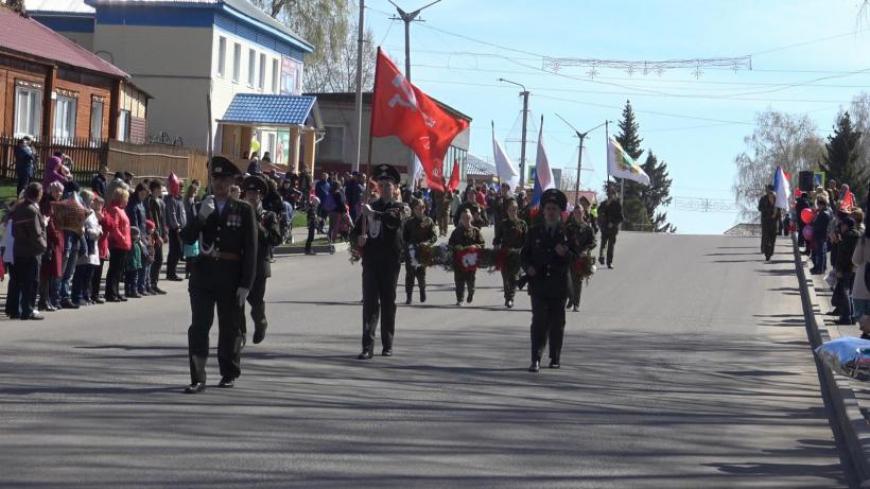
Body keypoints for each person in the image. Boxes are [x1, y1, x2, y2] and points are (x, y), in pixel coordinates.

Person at [181, 157, 257, 393]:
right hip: (203, 276)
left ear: (233, 181)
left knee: (229, 327)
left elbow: (251, 250)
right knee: (199, 327)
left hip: (230, 276)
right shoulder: (203, 205)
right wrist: (201, 216)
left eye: (224, 179)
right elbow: (187, 238)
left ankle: (228, 372)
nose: (220, 183)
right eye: (216, 178)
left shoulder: (243, 210)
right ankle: (198, 376)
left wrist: (246, 284)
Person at [349, 164, 405, 360]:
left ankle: (387, 343)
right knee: (370, 304)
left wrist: (371, 213)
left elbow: (392, 222)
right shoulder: (371, 206)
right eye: (381, 185)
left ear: (395, 188)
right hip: (371, 262)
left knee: (388, 302)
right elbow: (354, 232)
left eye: (388, 185)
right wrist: (359, 240)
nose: (384, 188)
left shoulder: (399, 207)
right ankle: (367, 346)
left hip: (390, 262)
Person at [522, 188, 576, 373]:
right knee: (539, 321)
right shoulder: (534, 232)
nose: (551, 212)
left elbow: (577, 258)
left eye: (554, 208)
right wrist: (527, 267)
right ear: (543, 211)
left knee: (557, 322)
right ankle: (535, 358)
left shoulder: (567, 233)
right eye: (548, 208)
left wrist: (566, 253)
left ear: (560, 212)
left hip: (559, 285)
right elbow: (525, 255)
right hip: (539, 284)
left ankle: (555, 356)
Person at [240, 174, 282, 346]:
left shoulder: (268, 216)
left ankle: (260, 322)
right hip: (240, 265)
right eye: (249, 192)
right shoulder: (239, 213)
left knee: (256, 301)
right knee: (238, 302)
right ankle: (239, 334)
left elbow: (275, 238)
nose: (251, 196)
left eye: (255, 193)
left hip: (259, 266)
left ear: (261, 196)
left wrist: (256, 224)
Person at [11, 183, 47, 320]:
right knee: (31, 282)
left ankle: (16, 310)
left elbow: (14, 230)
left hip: (18, 249)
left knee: (18, 281)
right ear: (38, 193)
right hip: (32, 251)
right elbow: (36, 233)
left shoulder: (18, 207)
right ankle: (28, 309)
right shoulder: (32, 210)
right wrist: (43, 246)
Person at [493, 197, 527, 309]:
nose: (514, 211)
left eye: (515, 209)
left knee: (514, 277)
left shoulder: (522, 224)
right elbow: (497, 238)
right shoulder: (503, 224)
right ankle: (507, 296)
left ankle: (510, 298)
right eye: (511, 209)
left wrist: (524, 250)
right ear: (507, 211)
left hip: (518, 255)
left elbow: (527, 240)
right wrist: (496, 247)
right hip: (505, 254)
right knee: (506, 277)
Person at [403, 197, 437, 304]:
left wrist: (427, 243)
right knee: (410, 275)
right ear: (414, 209)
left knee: (421, 275)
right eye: (418, 207)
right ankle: (409, 297)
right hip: (411, 251)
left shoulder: (429, 221)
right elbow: (404, 237)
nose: (420, 209)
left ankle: (422, 290)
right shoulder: (409, 222)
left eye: (422, 207)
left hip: (423, 251)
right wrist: (407, 246)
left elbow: (434, 236)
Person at [449, 208, 485, 306]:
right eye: (464, 217)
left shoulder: (475, 231)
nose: (466, 219)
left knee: (470, 280)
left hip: (471, 261)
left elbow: (482, 244)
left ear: (471, 218)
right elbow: (451, 244)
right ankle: (460, 299)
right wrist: (457, 247)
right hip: (459, 260)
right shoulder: (456, 232)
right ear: (461, 219)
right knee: (459, 281)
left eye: (468, 217)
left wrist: (476, 246)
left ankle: (471, 292)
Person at [71, 190, 101, 307]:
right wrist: (93, 232)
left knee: (89, 274)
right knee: (81, 273)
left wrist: (99, 231)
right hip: (85, 244)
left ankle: (86, 295)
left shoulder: (92, 212)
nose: (93, 201)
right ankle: (77, 296)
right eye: (91, 199)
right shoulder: (81, 210)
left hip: (93, 244)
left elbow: (97, 225)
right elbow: (82, 227)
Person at [565, 205, 597, 312]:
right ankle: (571, 297)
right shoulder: (569, 227)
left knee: (578, 281)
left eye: (580, 212)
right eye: (576, 213)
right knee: (568, 280)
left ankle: (576, 304)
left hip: (581, 258)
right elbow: (564, 240)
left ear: (583, 213)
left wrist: (586, 250)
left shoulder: (587, 228)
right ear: (573, 214)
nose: (578, 215)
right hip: (570, 256)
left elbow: (593, 242)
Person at [103, 188, 132, 302]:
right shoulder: (115, 210)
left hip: (124, 244)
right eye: (126, 198)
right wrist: (122, 239)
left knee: (119, 271)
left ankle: (116, 291)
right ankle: (110, 293)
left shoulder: (121, 210)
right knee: (114, 270)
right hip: (118, 244)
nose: (127, 200)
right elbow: (114, 228)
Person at [146, 180, 167, 294]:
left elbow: (161, 218)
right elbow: (153, 219)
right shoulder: (151, 201)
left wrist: (164, 233)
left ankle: (153, 283)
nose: (161, 191)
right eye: (160, 188)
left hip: (158, 232)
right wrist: (157, 235)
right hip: (153, 234)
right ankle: (150, 284)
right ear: (155, 189)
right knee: (155, 259)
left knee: (158, 259)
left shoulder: (158, 200)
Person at [165, 174, 186, 281]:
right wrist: (177, 227)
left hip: (180, 228)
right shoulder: (171, 200)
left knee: (177, 251)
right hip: (175, 230)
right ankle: (171, 273)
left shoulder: (179, 199)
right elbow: (172, 214)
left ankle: (172, 272)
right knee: (174, 251)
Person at [597, 186, 623, 269]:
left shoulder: (617, 205)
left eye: (612, 194)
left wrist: (613, 223)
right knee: (603, 244)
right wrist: (605, 206)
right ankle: (601, 257)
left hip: (613, 229)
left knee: (611, 246)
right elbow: (599, 212)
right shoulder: (604, 203)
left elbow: (620, 218)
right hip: (604, 227)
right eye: (610, 193)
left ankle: (609, 262)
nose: (611, 195)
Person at [758, 184, 780, 261]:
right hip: (766, 221)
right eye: (768, 190)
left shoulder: (777, 200)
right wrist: (769, 211)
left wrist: (777, 217)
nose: (768, 192)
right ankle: (766, 253)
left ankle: (770, 252)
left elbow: (779, 211)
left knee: (773, 238)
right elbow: (760, 208)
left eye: (770, 190)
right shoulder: (763, 199)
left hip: (774, 222)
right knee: (766, 237)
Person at [811, 197, 832, 275]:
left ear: (822, 205)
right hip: (821, 235)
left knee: (820, 253)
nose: (818, 207)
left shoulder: (824, 213)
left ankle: (820, 269)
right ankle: (820, 268)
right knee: (820, 253)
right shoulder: (823, 212)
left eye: (819, 205)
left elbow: (820, 225)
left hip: (821, 235)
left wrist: (814, 224)